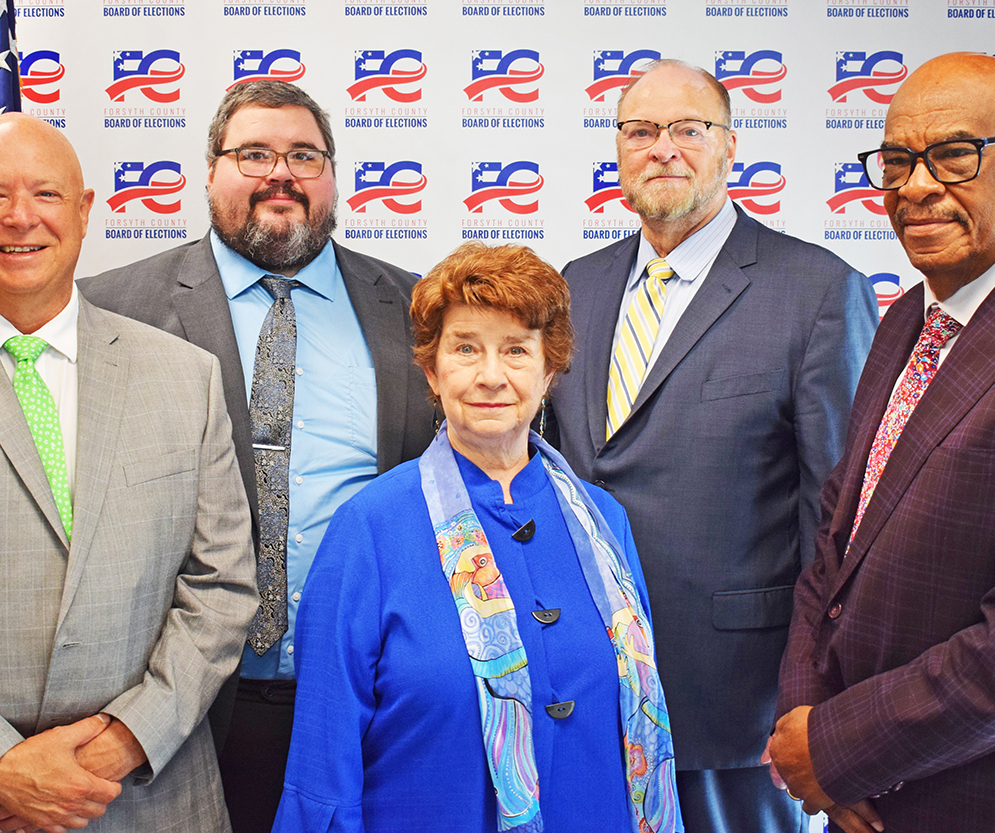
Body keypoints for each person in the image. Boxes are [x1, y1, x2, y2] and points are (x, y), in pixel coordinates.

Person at [0, 113, 256, 833]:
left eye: (46, 195)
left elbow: (221, 585)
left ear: (87, 210)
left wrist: (119, 744)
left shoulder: (185, 377)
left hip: (143, 798)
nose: (21, 217)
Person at [80, 80, 434, 831]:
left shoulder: (420, 310)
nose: (282, 173)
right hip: (176, 704)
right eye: (254, 154)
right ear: (210, 172)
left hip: (368, 695)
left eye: (305, 155)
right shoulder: (112, 309)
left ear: (334, 177)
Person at [547, 60, 878, 832]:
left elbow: (839, 527)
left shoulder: (818, 290)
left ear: (730, 149)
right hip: (587, 693)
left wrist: (822, 706)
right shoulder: (575, 285)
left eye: (687, 129)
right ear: (619, 151)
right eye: (640, 131)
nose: (662, 148)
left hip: (739, 712)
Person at [769, 52, 995, 833]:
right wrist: (809, 721)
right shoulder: (902, 322)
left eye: (954, 155)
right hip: (862, 798)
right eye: (898, 161)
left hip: (991, 802)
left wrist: (840, 750)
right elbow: (836, 545)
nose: (915, 186)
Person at [272, 243, 683, 832]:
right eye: (466, 348)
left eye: (516, 350)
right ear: (433, 371)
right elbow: (323, 751)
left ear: (549, 371)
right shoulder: (368, 527)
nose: (491, 376)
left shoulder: (605, 520)